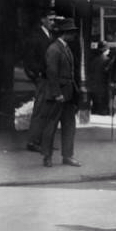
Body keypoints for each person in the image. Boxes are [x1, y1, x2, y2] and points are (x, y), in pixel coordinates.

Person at [39, 18, 81, 167]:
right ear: (66, 34)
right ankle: (47, 156)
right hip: (57, 95)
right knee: (51, 126)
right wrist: (57, 93)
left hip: (68, 94)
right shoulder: (54, 49)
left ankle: (68, 156)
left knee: (69, 125)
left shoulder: (65, 48)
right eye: (72, 33)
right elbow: (51, 73)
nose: (74, 35)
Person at [23, 9, 55, 153]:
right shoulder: (36, 37)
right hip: (43, 78)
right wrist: (38, 74)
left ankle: (43, 141)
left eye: (54, 20)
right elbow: (29, 60)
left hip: (50, 78)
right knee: (40, 109)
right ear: (43, 20)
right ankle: (33, 141)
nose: (53, 22)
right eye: (50, 19)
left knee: (48, 110)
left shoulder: (50, 36)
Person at [87, 41, 111, 115]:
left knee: (95, 107)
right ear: (105, 50)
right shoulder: (107, 60)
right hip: (103, 87)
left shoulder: (93, 60)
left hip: (93, 87)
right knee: (103, 109)